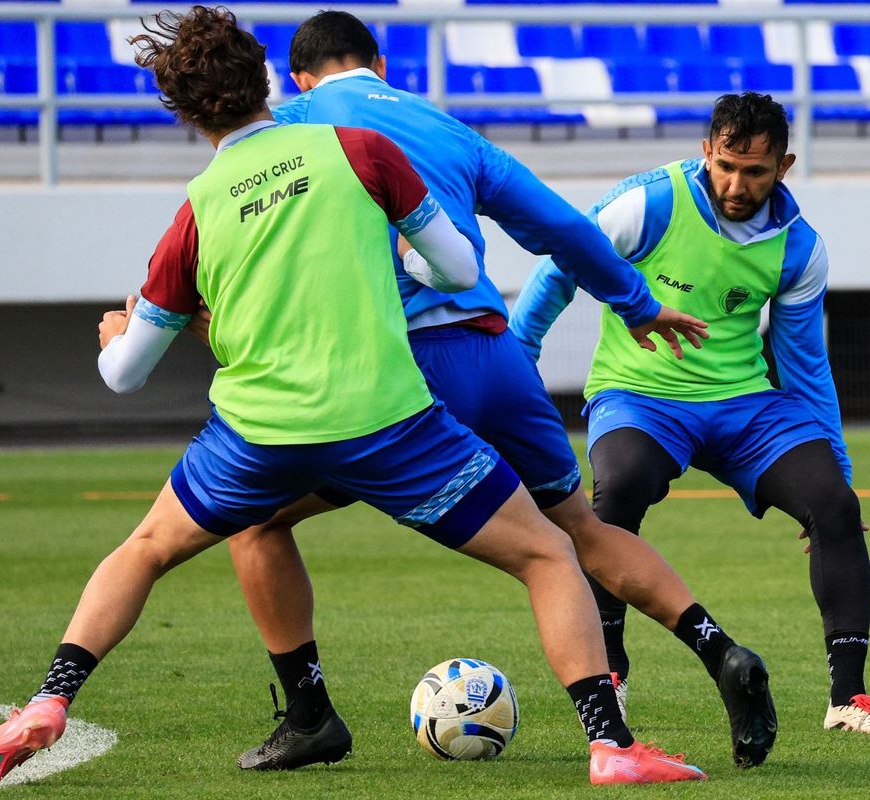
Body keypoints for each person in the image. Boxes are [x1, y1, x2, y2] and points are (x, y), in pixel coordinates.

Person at [0, 8, 706, 788]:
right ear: (267, 83)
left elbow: (124, 377)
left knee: (147, 550)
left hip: (257, 434)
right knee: (550, 551)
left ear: (188, 114)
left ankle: (51, 699)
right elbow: (457, 272)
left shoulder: (197, 210)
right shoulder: (362, 151)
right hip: (385, 419)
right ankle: (611, 746)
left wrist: (118, 332)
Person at [223, 10, 775, 773]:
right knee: (579, 529)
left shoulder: (291, 123)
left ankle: (311, 715)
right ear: (381, 67)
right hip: (498, 353)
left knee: (253, 521)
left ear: (299, 77)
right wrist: (638, 303)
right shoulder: (452, 131)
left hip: (409, 370)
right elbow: (563, 228)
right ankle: (718, 651)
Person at [511, 92, 870, 735]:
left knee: (835, 505)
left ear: (785, 165)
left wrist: (836, 465)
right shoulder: (648, 204)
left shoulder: (798, 247)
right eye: (726, 166)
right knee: (617, 493)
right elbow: (561, 270)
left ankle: (849, 699)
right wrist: (518, 360)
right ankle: (610, 673)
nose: (736, 184)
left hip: (744, 405)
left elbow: (804, 363)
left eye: (755, 171)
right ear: (706, 152)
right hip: (639, 398)